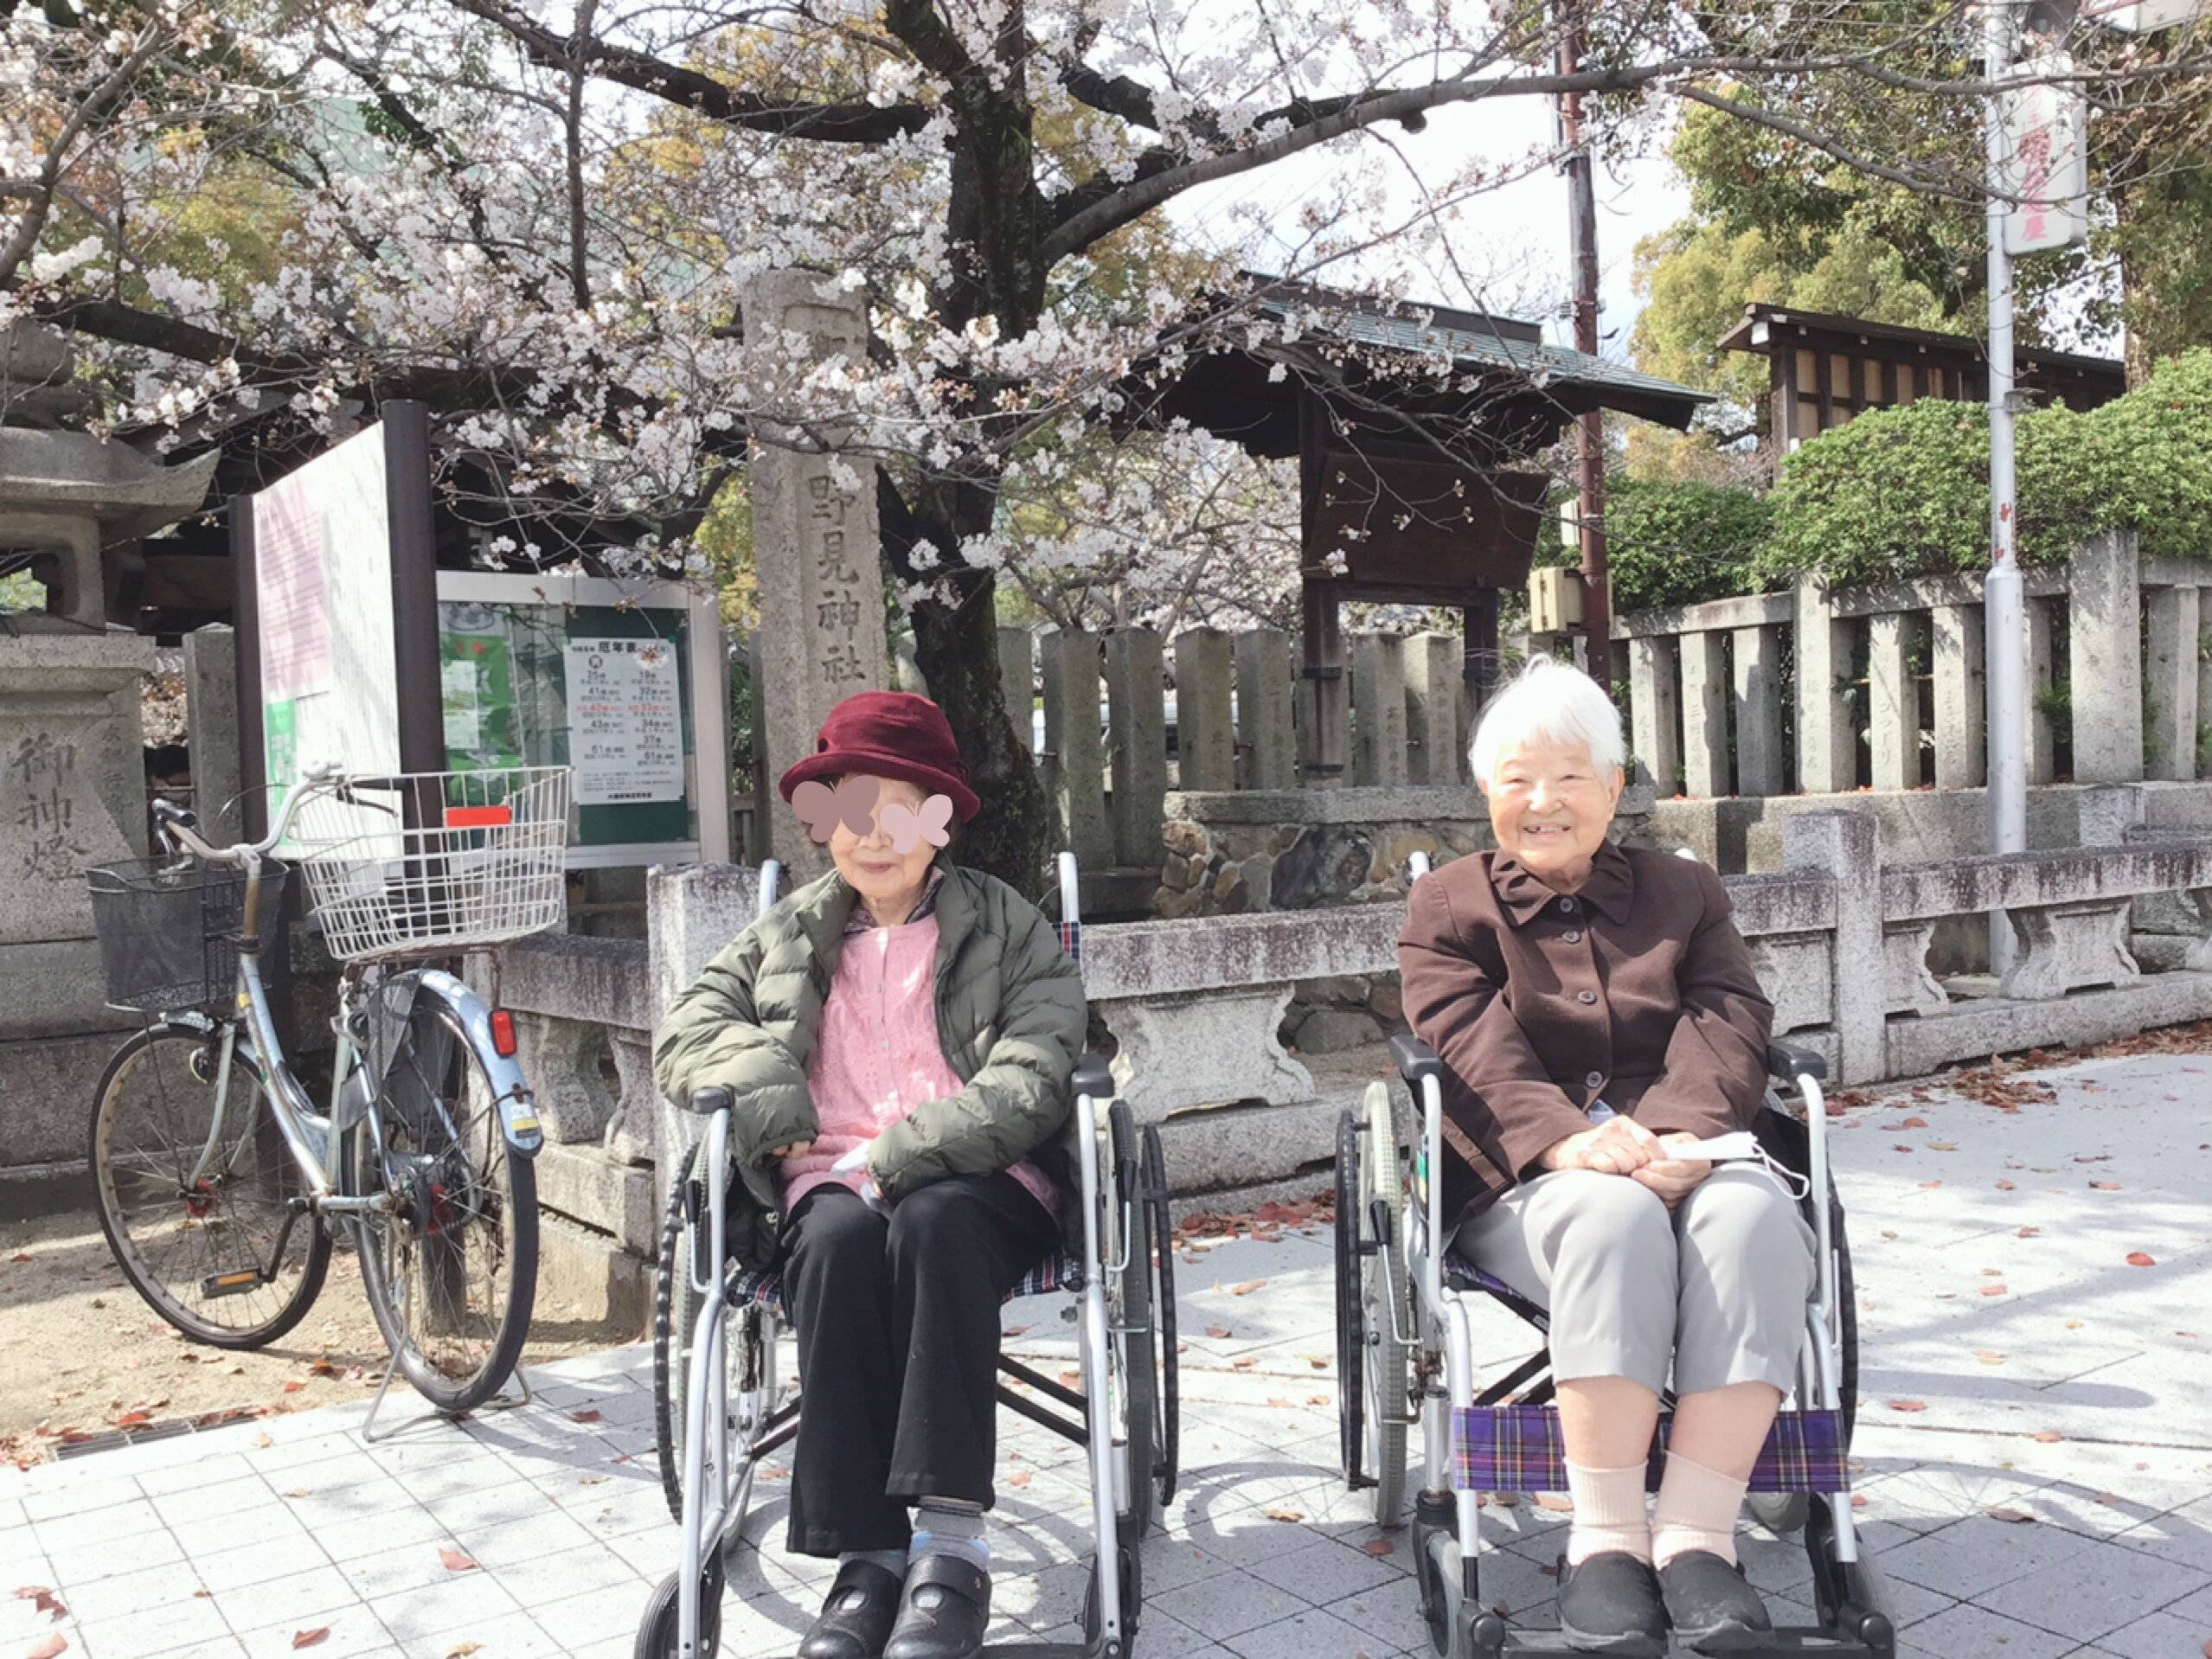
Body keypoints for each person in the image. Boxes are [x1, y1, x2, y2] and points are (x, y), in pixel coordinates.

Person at [1396, 656, 1814, 1658]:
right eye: (1516, 779)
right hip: (1530, 1180)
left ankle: (1699, 1538)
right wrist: (1573, 1141)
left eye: (1569, 776)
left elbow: (1730, 1014)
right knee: (1611, 1215)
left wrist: (1676, 1132)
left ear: (1615, 786)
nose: (1542, 801)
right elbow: (1467, 1043)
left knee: (1756, 1216)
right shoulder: (1448, 906)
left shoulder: (1684, 891)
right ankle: (1606, 1542)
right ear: (1485, 790)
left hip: (1694, 1150)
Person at [655, 690, 1086, 1659]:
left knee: (933, 1223)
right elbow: (689, 1030)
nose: (873, 834)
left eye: (900, 810)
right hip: (830, 1181)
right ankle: (867, 1557)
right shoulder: (788, 932)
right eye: (850, 809)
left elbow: (1037, 1067)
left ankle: (949, 1548)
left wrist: (901, 1153)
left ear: (942, 820)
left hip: (983, 1177)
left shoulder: (1007, 924)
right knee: (837, 1243)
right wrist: (772, 1096)